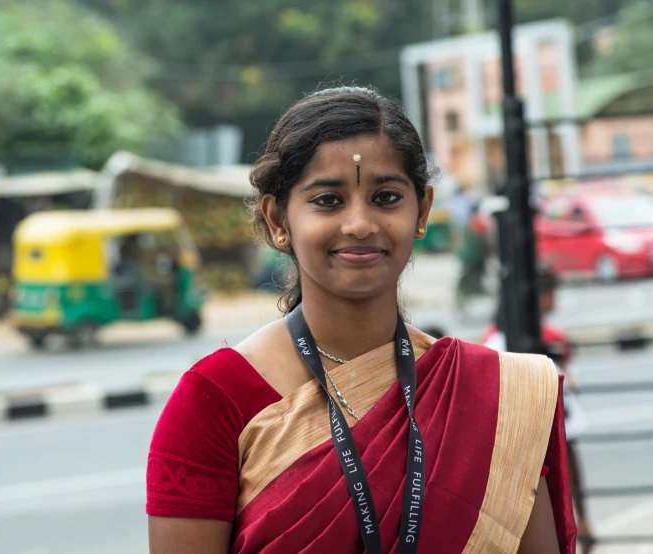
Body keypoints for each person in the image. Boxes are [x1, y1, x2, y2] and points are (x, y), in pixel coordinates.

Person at [146, 86, 576, 554]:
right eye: (328, 200)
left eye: (386, 197)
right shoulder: (215, 400)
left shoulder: (495, 396)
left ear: (422, 210)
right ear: (277, 219)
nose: (359, 224)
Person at [483, 265, 593, 553]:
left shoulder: (492, 338)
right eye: (552, 292)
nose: (555, 299)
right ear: (539, 295)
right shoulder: (547, 337)